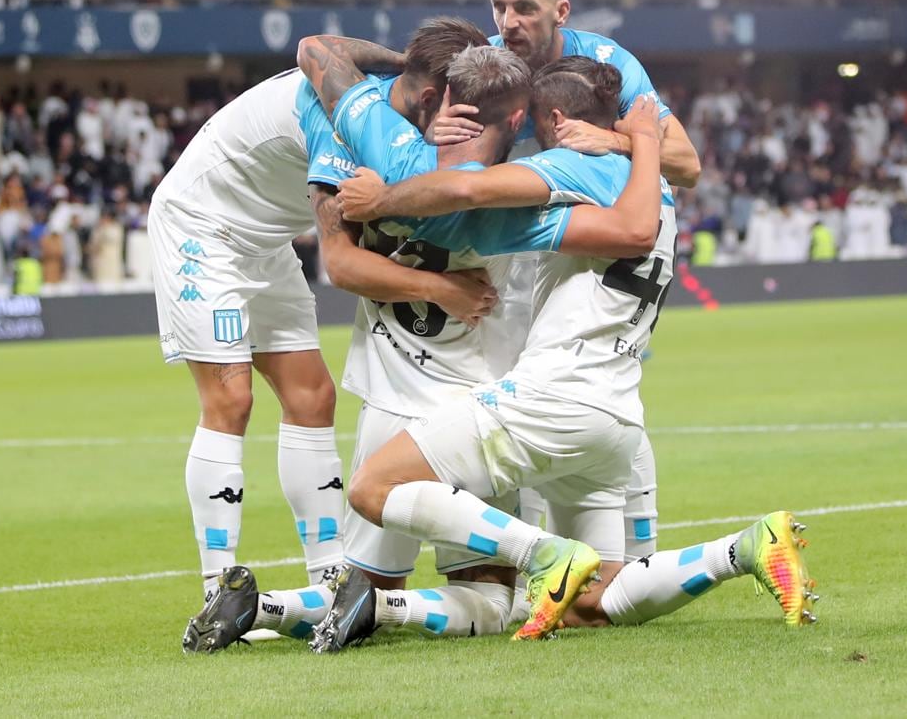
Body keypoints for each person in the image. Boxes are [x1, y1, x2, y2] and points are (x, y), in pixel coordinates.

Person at [310, 86, 814, 648]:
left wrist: (382, 200)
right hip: (616, 414)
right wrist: (641, 137)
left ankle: (543, 555)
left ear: (555, 118)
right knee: (593, 601)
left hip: (550, 399)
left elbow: (468, 190)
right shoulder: (655, 187)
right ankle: (743, 549)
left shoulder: (577, 167)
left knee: (373, 486)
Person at [156, 19, 495, 617]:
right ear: (427, 96)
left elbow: (328, 48)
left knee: (312, 397)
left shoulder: (378, 96)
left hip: (263, 240)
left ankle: (331, 575)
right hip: (201, 228)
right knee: (231, 401)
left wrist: (411, 64)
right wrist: (442, 289)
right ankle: (216, 587)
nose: (460, 131)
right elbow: (340, 264)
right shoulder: (345, 123)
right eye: (458, 112)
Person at [472, 0, 701, 565]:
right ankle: (548, 562)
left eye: (524, 9)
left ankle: (636, 552)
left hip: (612, 241)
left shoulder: (609, 64)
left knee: (594, 385)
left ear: (561, 11)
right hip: (533, 243)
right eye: (499, 7)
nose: (508, 24)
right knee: (530, 387)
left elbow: (686, 162)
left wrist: (614, 139)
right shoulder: (487, 65)